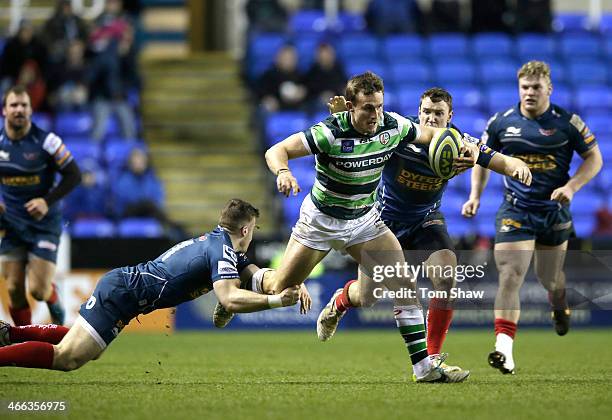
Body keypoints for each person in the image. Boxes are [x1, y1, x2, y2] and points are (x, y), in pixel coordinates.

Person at [219, 72, 474, 383]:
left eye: (379, 107)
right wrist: (283, 172)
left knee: (402, 282)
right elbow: (275, 151)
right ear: (351, 107)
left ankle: (423, 368)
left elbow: (433, 135)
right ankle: (244, 282)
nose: (375, 115)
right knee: (281, 288)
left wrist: (467, 150)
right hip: (320, 223)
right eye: (368, 108)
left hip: (364, 222)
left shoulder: (392, 126)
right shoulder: (328, 132)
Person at [316, 87, 532, 373]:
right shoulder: (397, 133)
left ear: (450, 116)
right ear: (418, 113)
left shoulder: (461, 144)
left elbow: (502, 160)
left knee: (446, 275)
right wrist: (342, 117)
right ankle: (340, 302)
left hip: (425, 219)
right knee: (367, 298)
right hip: (382, 222)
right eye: (426, 112)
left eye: (438, 114)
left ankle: (432, 357)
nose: (431, 118)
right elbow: (358, 134)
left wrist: (518, 167)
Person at [0, 199, 305, 371]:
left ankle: (10, 333)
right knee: (68, 359)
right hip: (123, 293)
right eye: (254, 230)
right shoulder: (222, 250)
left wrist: (290, 283)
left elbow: (262, 278)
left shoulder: (223, 247)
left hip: (125, 292)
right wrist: (279, 302)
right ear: (246, 228)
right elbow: (228, 299)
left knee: (90, 350)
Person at [461, 61, 603, 374]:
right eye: (524, 87)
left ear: (548, 89)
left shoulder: (567, 123)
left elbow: (595, 157)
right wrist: (475, 196)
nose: (529, 93)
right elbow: (482, 159)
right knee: (510, 274)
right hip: (516, 211)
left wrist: (572, 186)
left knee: (549, 279)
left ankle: (559, 304)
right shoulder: (501, 122)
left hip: (553, 211)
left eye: (536, 88)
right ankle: (504, 350)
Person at [0, 86, 82, 326]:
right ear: (4, 111)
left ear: (31, 110)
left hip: (43, 224)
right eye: (14, 105)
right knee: (14, 288)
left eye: (24, 105)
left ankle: (56, 311)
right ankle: (24, 338)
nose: (19, 110)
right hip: (11, 224)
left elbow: (74, 175)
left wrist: (47, 201)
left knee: (38, 290)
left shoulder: (47, 142)